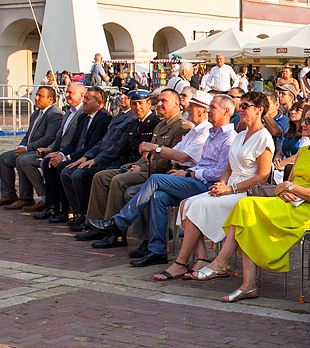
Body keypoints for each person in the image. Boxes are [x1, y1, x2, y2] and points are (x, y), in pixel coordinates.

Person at [196, 106, 310, 301]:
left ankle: (224, 264)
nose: (303, 124)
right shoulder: (303, 151)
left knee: (246, 207)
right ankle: (246, 283)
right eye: (304, 119)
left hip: (309, 210)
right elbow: (281, 186)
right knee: (247, 213)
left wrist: (290, 187)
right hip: (289, 201)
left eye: (309, 121)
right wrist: (285, 189)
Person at [84, 95, 237, 266]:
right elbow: (189, 158)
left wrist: (189, 174)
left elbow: (219, 172)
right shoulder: (211, 133)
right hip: (191, 177)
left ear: (226, 111)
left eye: (212, 108)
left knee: (155, 180)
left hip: (207, 185)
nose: (209, 111)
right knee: (158, 196)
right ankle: (156, 250)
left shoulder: (229, 137)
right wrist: (184, 171)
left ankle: (119, 222)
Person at [160, 93, 275, 281]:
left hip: (247, 193)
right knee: (186, 204)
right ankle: (202, 258)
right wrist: (222, 183)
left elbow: (262, 175)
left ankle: (181, 262)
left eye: (246, 106)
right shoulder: (242, 135)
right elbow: (228, 167)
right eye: (242, 105)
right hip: (230, 188)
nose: (242, 110)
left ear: (259, 110)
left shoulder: (263, 137)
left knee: (195, 206)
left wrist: (231, 189)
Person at [78, 89, 192, 248]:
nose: (158, 104)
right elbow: (146, 154)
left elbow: (169, 159)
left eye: (163, 101)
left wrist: (141, 167)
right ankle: (98, 225)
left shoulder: (181, 126)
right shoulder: (160, 125)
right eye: (158, 101)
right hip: (147, 168)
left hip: (160, 172)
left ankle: (115, 232)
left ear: (176, 103)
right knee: (101, 176)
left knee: (118, 181)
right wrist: (136, 165)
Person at [38, 89, 112, 222]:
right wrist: (61, 153)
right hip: (78, 154)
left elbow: (93, 145)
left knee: (63, 168)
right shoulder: (83, 117)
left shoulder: (104, 118)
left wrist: (67, 158)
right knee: (48, 162)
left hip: (90, 157)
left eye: (88, 99)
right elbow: (74, 142)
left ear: (98, 102)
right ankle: (54, 206)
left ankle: (74, 211)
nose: (84, 101)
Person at [0, 86, 63, 209]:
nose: (36, 98)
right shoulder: (36, 113)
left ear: (50, 99)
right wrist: (22, 146)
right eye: (36, 95)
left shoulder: (55, 114)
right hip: (29, 148)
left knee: (23, 159)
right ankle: (9, 195)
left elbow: (49, 139)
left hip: (43, 151)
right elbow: (29, 134)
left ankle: (38, 197)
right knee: (5, 158)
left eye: (41, 96)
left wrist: (27, 149)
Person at [21, 83, 88, 212]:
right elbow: (58, 138)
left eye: (70, 93)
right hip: (59, 151)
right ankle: (51, 205)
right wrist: (49, 149)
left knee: (52, 165)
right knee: (36, 161)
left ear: (81, 96)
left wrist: (62, 154)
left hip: (71, 153)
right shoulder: (69, 112)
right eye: (66, 92)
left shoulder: (82, 114)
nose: (66, 95)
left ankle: (61, 206)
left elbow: (77, 142)